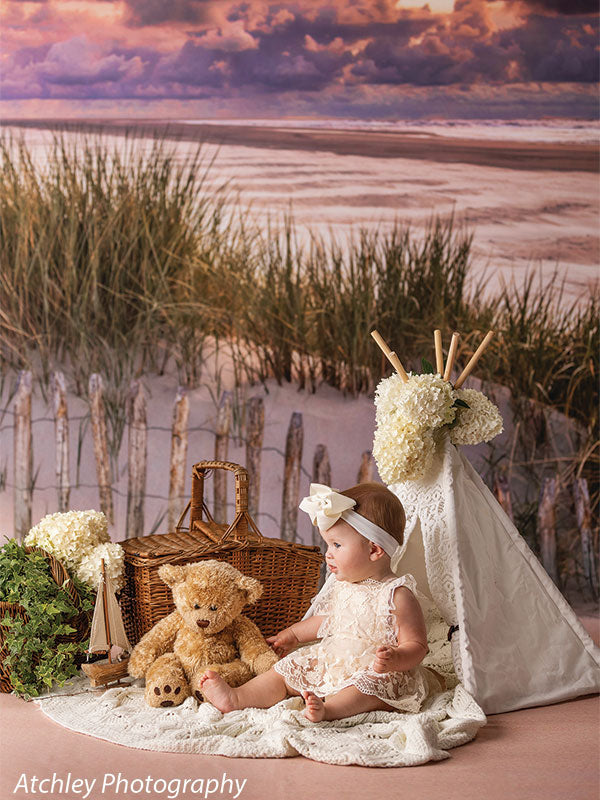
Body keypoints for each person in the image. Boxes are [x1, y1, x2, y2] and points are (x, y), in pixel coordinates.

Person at [199, 482, 444, 721]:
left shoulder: (397, 594)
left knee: (368, 687)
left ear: (374, 550)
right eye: (328, 544)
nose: (328, 553)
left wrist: (396, 658)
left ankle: (330, 710)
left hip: (375, 669)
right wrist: (293, 635)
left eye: (336, 545)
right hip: (334, 659)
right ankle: (237, 697)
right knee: (288, 668)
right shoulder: (343, 585)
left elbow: (417, 644)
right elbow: (327, 619)